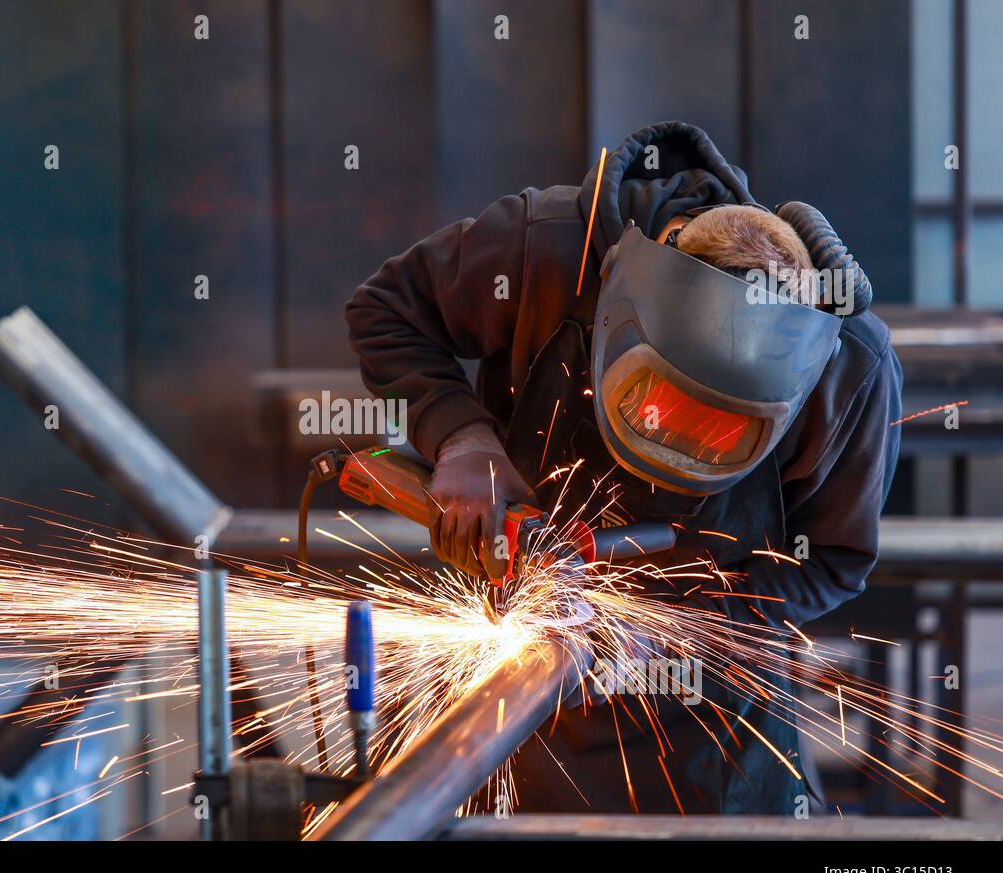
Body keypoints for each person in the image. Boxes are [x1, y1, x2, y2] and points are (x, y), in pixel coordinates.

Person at [344, 121, 902, 813]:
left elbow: (830, 563)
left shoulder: (848, 365)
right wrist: (461, 439)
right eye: (662, 405)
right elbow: (386, 310)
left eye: (716, 430)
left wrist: (679, 624)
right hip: (510, 680)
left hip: (713, 717)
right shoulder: (547, 248)